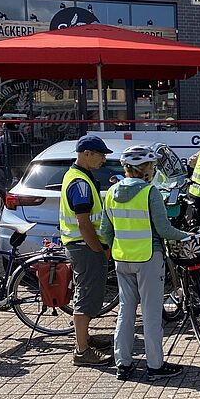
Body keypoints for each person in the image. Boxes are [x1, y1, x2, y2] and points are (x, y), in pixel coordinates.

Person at [101, 146, 191, 382]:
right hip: (149, 258)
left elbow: (105, 231)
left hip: (123, 259)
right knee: (151, 314)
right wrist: (187, 237)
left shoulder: (110, 193)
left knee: (125, 311)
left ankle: (123, 364)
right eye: (152, 165)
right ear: (145, 169)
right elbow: (164, 229)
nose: (153, 169)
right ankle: (155, 366)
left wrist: (118, 250)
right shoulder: (150, 192)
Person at [59, 135, 114, 367]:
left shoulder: (80, 176)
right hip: (85, 247)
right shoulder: (80, 182)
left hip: (82, 246)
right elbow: (84, 223)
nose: (104, 159)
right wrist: (98, 249)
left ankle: (85, 339)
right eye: (101, 154)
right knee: (85, 298)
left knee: (89, 296)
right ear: (86, 154)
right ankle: (82, 351)